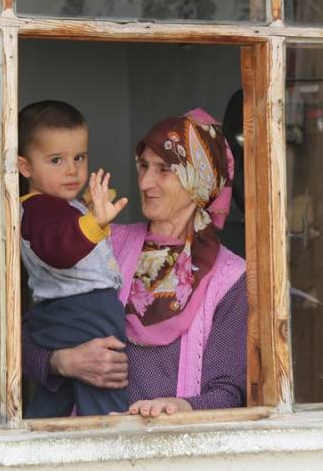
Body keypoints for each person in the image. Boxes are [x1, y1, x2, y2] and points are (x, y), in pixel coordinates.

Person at [23, 108, 247, 417]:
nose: (144, 182)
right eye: (143, 166)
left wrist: (179, 407)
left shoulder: (230, 276)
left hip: (172, 453)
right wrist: (63, 361)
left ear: (200, 178)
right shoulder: (102, 241)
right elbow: (24, 337)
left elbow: (227, 392)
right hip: (87, 446)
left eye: (163, 169)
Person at [17, 100, 131, 417]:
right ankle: (110, 445)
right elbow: (59, 248)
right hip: (85, 309)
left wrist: (84, 210)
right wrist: (93, 222)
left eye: (79, 157)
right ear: (25, 167)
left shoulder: (51, 206)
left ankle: (38, 442)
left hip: (60, 311)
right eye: (56, 160)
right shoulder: (42, 208)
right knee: (104, 388)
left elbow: (60, 231)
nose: (72, 170)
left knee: (56, 398)